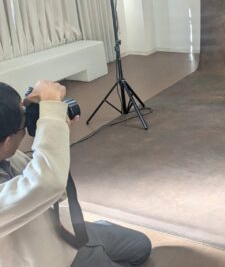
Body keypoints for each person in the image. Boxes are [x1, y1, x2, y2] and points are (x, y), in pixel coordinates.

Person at [0, 80, 151, 267]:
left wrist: (56, 128)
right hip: (51, 258)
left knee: (141, 246)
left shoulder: (6, 156)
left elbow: (55, 187)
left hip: (64, 227)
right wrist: (52, 119)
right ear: (7, 141)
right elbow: (48, 183)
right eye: (23, 124)